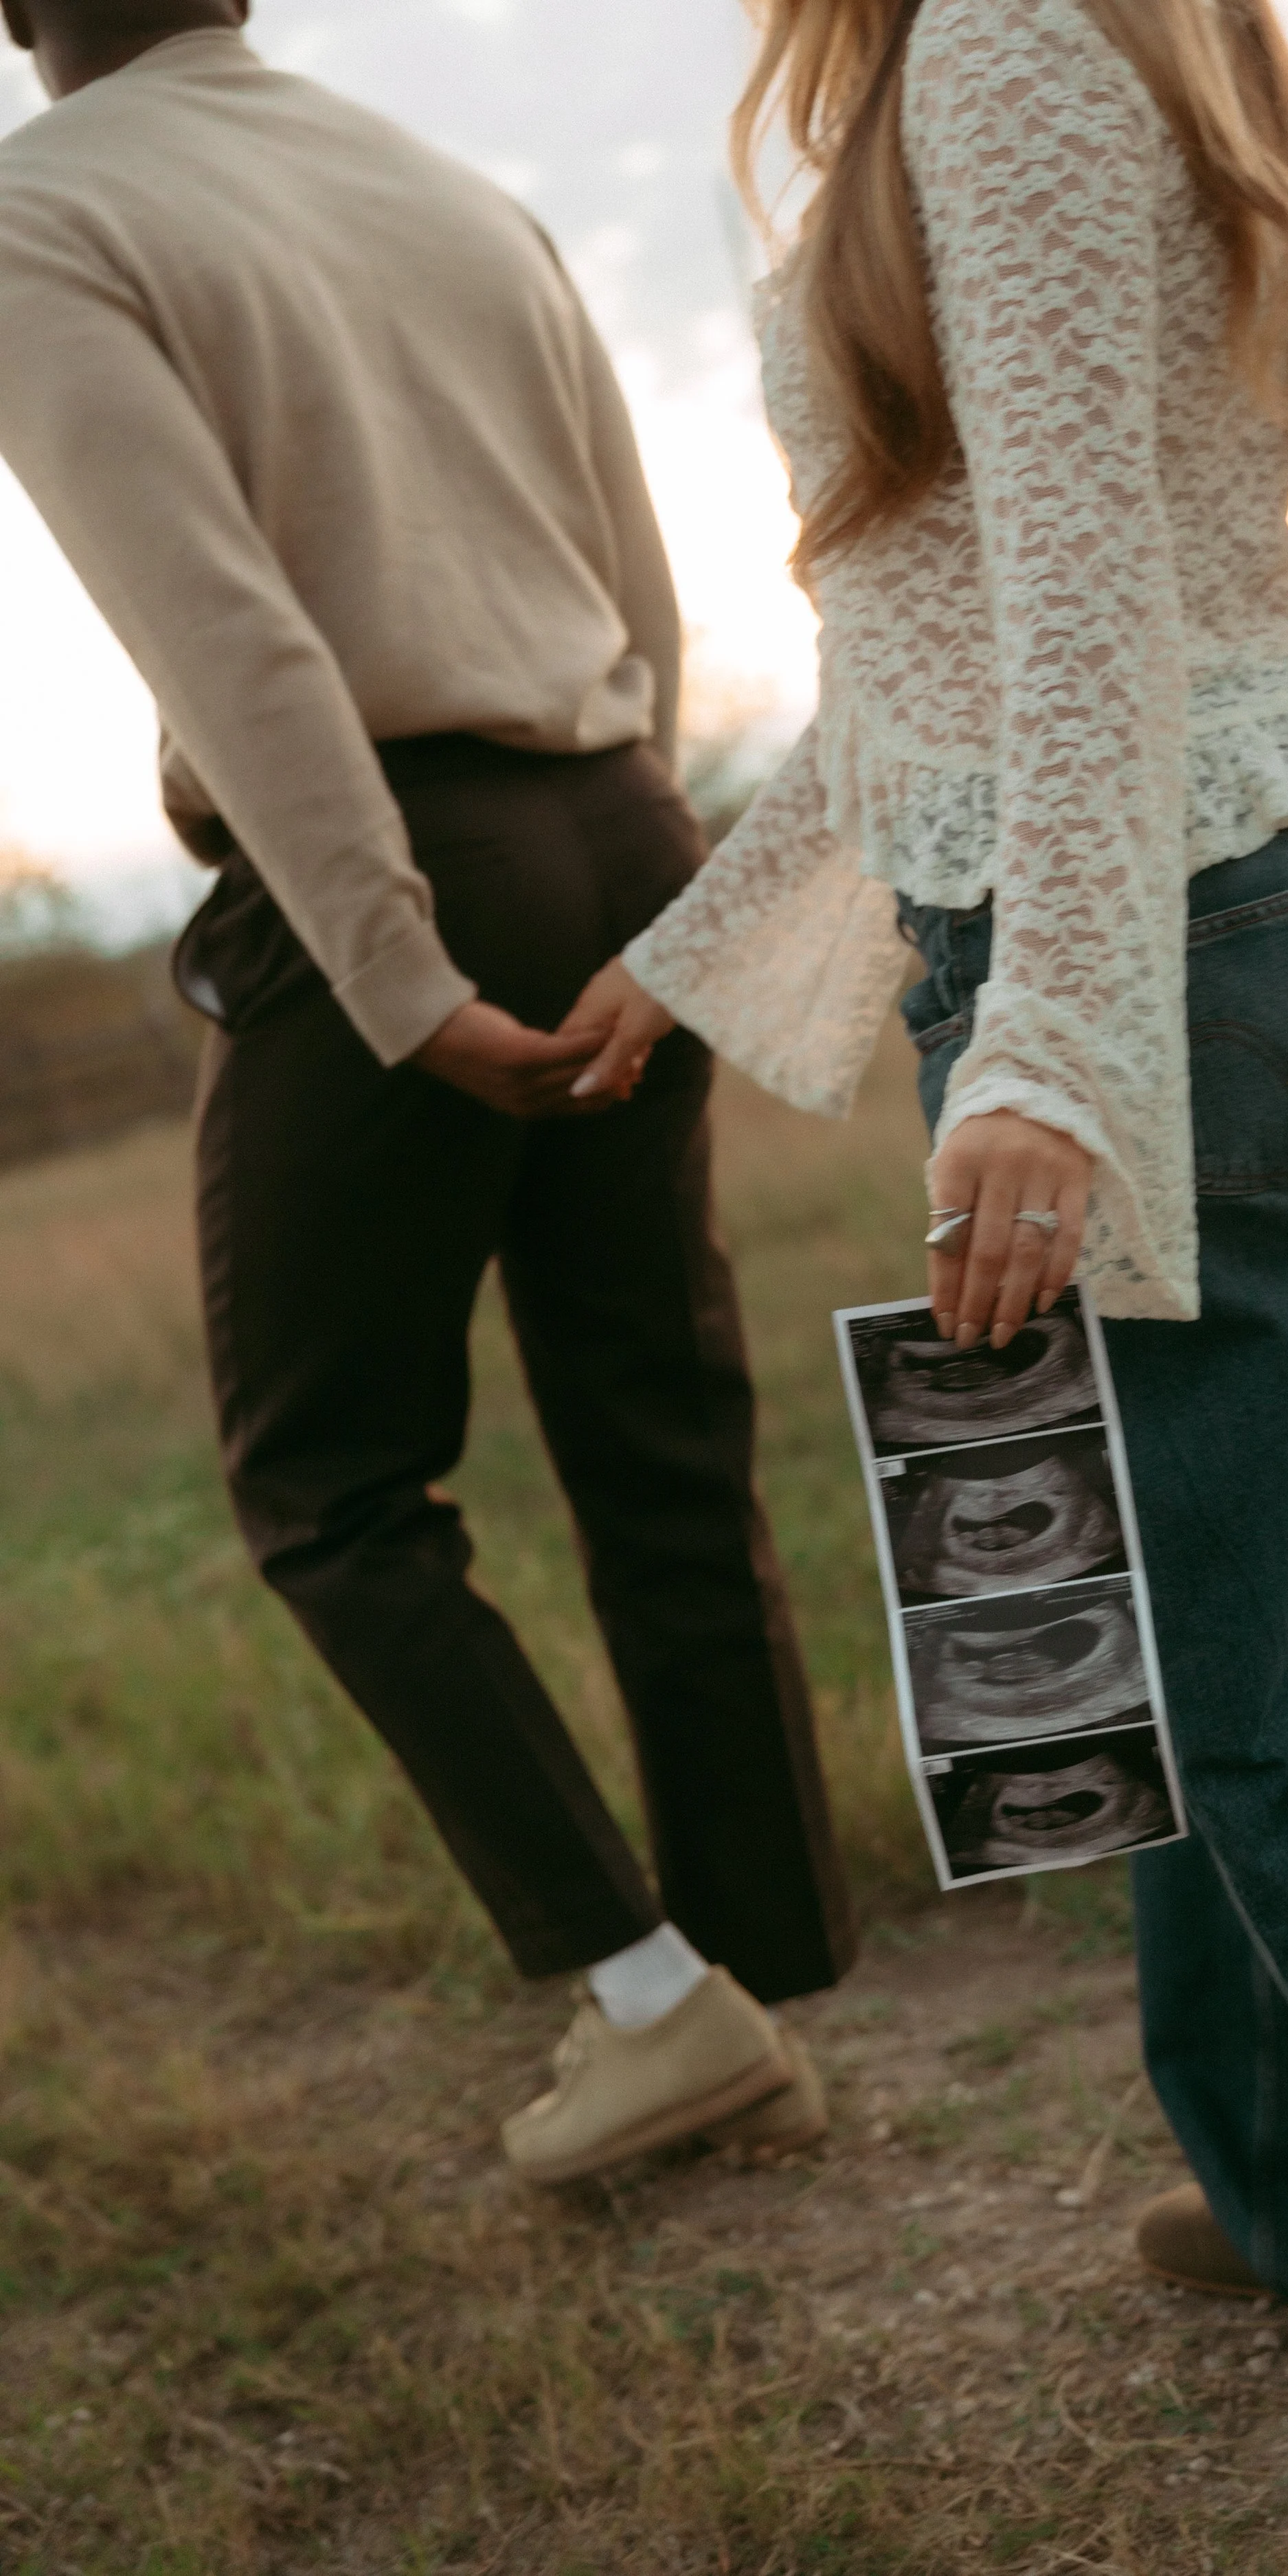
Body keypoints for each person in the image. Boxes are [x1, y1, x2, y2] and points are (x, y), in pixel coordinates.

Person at [565, 0, 1288, 2527]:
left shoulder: (989, 52)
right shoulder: (1068, 46)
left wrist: (1050, 1046)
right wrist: (683, 950)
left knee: (1279, 1693)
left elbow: (1081, 602)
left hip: (1173, 954)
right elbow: (934, 642)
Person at [0, 0, 857, 2184]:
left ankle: (663, 2005)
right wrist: (641, 847)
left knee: (331, 1481)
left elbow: (233, 635)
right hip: (610, 805)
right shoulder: (459, 194)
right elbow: (633, 574)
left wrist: (386, 956)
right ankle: (772, 1932)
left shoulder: (40, 214)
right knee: (657, 1407)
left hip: (400, 852)